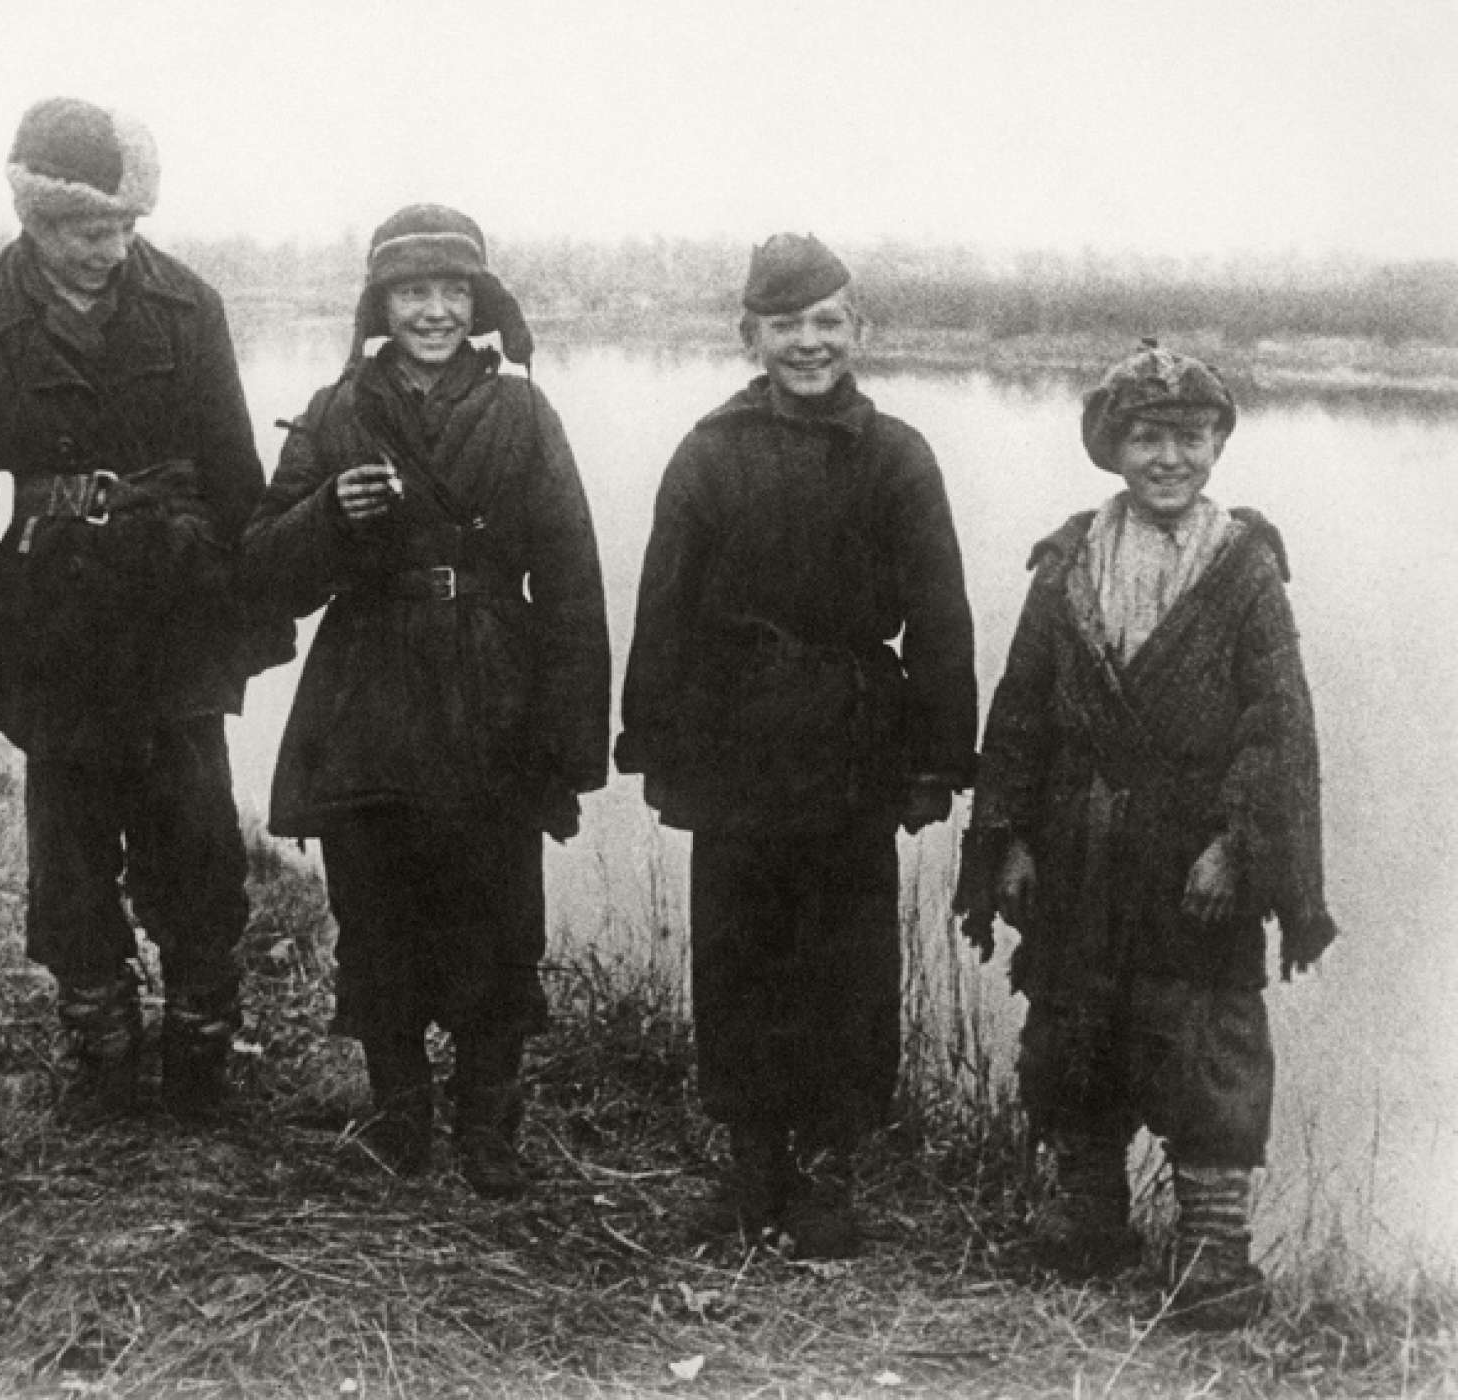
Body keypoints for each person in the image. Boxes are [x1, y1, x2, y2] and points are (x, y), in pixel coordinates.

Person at [954, 342, 1337, 1328]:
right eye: (1147, 436)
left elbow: (1277, 725)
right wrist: (1010, 840)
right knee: (1074, 1034)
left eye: (1190, 436)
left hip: (1189, 870)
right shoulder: (1069, 560)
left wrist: (1241, 848)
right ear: (1111, 446)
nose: (1169, 457)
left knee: (1207, 1046)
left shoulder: (1245, 567)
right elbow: (1022, 713)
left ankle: (1213, 1255)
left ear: (1217, 445)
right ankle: (1084, 1217)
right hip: (1079, 859)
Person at [0, 97, 285, 1121]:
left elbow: (234, 470)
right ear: (34, 221)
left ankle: (203, 1056)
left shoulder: (189, 306)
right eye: (89, 232)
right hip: (53, 628)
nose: (113, 251)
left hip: (176, 611)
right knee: (72, 863)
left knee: (201, 852)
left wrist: (249, 623)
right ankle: (104, 1058)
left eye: (127, 228)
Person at [616, 234, 978, 1257]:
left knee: (845, 963)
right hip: (734, 745)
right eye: (787, 325)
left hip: (854, 745)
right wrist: (657, 744)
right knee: (737, 955)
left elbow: (941, 614)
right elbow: (665, 605)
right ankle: (750, 1167)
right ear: (751, 335)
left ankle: (827, 1174)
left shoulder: (897, 455)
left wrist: (936, 757)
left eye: (828, 322)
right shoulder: (709, 451)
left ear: (860, 331)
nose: (809, 343)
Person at [242, 204, 610, 1198]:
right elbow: (264, 574)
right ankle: (399, 1113)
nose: (435, 312)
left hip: (495, 690)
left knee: (499, 910)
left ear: (481, 303)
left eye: (454, 292)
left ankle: (489, 1124)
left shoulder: (525, 414)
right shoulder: (334, 410)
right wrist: (329, 515)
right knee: (376, 904)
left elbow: (572, 579)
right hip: (368, 691)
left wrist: (575, 744)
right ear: (381, 304)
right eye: (414, 293)